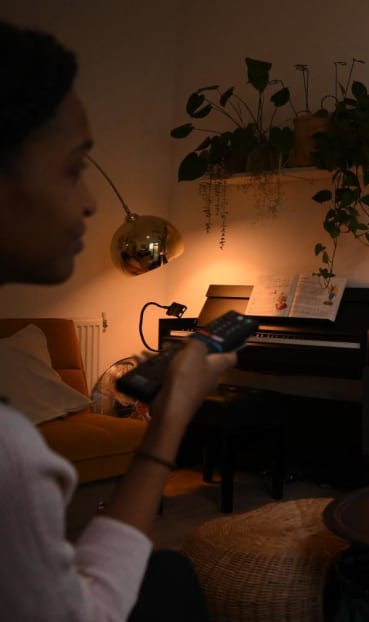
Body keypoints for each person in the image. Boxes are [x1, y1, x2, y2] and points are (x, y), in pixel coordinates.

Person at [0, 21, 237, 621]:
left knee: (171, 568)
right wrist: (171, 418)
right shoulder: (11, 454)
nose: (90, 202)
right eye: (74, 168)